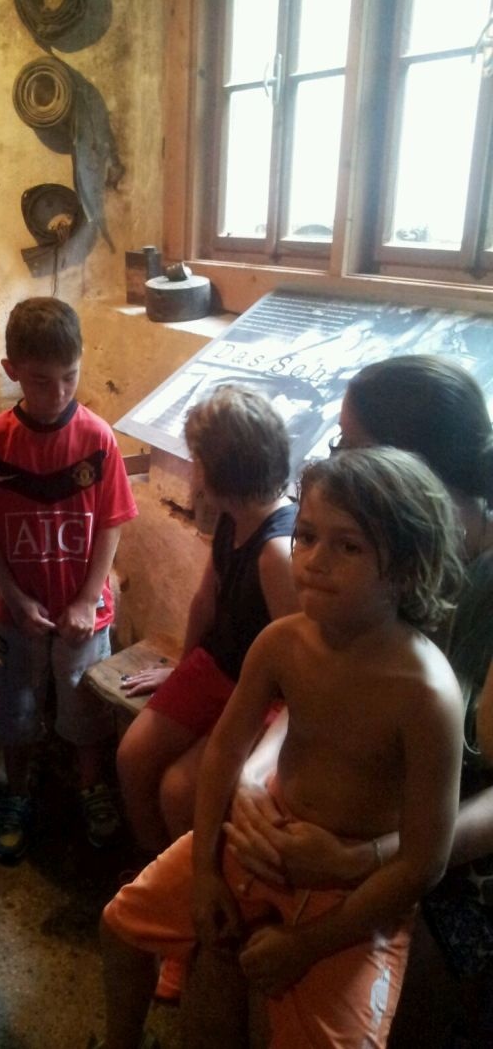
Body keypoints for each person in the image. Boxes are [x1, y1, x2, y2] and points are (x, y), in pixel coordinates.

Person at [92, 446, 466, 1049]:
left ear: (406, 567)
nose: (314, 560)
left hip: (354, 892)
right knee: (120, 926)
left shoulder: (427, 695)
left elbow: (424, 861)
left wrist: (306, 946)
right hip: (256, 843)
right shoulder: (282, 643)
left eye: (348, 546)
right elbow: (225, 752)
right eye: (308, 536)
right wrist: (206, 869)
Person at [224, 355, 493, 1044]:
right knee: (236, 887)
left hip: (451, 851)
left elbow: (452, 833)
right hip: (363, 804)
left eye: (350, 444)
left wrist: (367, 858)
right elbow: (317, 681)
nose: (336, 460)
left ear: (405, 475)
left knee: (354, 970)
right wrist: (255, 777)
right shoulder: (361, 562)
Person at [0, 297, 138, 861]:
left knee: (84, 703)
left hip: (83, 613)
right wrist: (12, 595)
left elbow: (112, 521)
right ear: (11, 370)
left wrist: (89, 599)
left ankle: (90, 786)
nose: (59, 392)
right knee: (16, 707)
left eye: (70, 376)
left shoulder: (98, 439)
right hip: (20, 613)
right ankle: (17, 793)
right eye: (41, 381)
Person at [116, 385, 298, 858]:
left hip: (262, 692)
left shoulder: (276, 551)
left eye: (196, 459)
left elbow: (297, 661)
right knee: (132, 757)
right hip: (218, 667)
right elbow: (205, 601)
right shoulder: (231, 517)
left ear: (220, 472)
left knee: (179, 791)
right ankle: (154, 872)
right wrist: (184, 668)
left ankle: (197, 885)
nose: (192, 469)